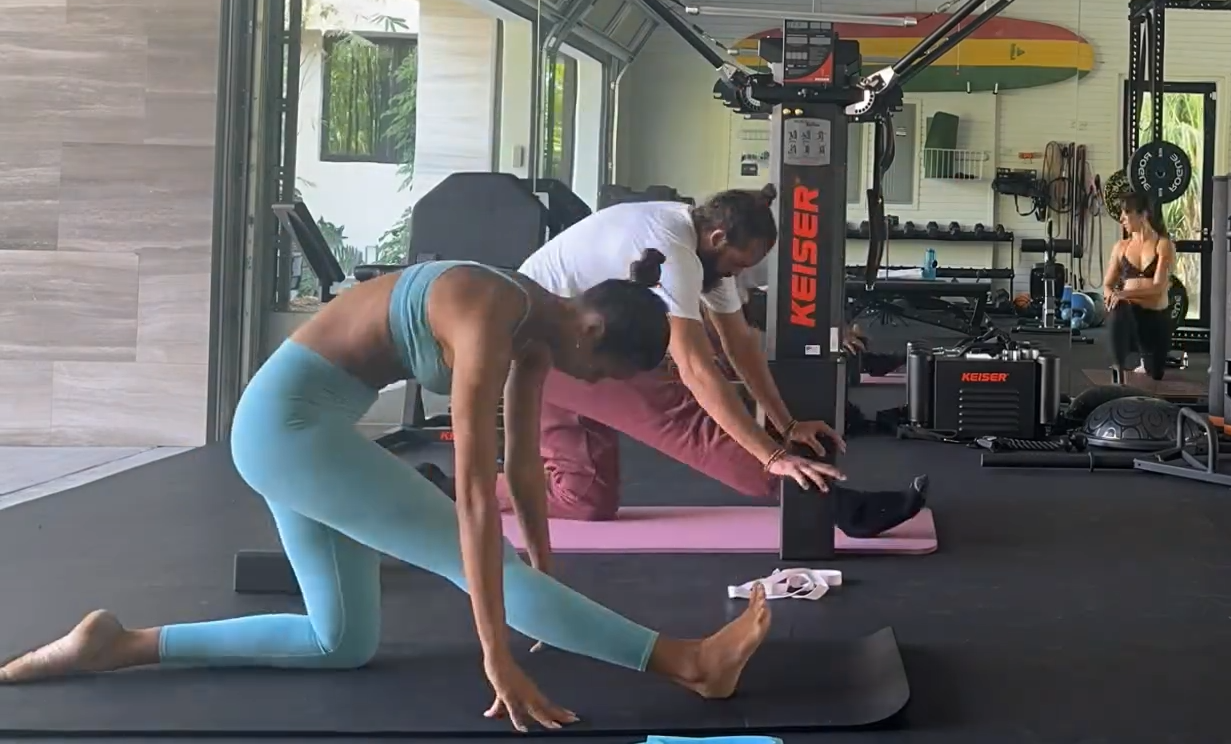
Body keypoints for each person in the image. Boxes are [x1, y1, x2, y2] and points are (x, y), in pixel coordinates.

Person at [0, 253, 772, 732]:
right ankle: (688, 664)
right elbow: (476, 499)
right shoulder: (488, 315)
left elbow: (524, 469)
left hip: (303, 429)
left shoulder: (543, 329)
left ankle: (116, 646)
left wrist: (545, 567)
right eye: (603, 374)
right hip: (287, 431)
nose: (595, 387)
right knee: (479, 562)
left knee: (339, 643)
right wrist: (496, 655)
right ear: (592, 333)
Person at [505, 186, 926, 538]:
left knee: (585, 499)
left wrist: (787, 424)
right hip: (547, 345)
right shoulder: (672, 251)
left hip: (567, 339)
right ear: (719, 237)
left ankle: (472, 487)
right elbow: (696, 369)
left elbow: (739, 345)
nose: (735, 275)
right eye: (738, 265)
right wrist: (771, 456)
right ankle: (835, 505)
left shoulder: (703, 248)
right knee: (679, 411)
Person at [1101, 191, 1178, 380]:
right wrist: (1111, 296)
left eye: (1126, 214)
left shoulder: (1163, 245)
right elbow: (1107, 285)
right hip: (1130, 316)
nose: (1121, 219)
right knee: (1118, 308)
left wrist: (1124, 293)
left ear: (1143, 215)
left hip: (1155, 319)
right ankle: (1118, 372)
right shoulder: (1121, 247)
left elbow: (1158, 288)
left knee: (1155, 374)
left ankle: (1146, 362)